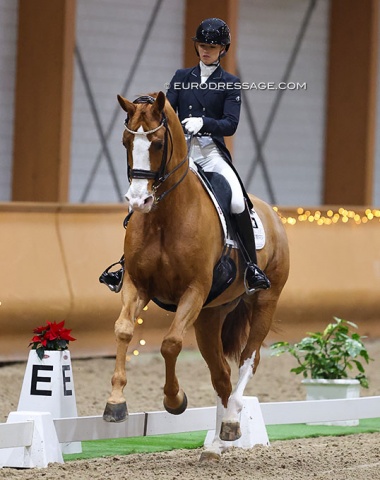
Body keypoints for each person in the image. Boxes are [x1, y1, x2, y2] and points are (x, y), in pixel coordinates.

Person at [165, 17, 270, 294]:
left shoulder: (230, 83)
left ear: (223, 49)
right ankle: (127, 264)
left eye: (212, 46)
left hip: (211, 153)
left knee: (236, 200)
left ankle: (251, 267)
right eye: (202, 45)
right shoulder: (180, 77)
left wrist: (205, 123)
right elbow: (165, 112)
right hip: (182, 155)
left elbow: (230, 125)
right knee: (146, 193)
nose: (206, 50)